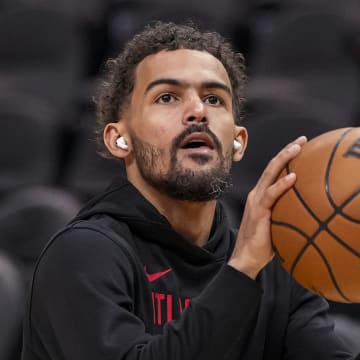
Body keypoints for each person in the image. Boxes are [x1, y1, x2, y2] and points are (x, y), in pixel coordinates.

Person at [21, 21, 354, 360]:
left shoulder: (274, 270)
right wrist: (241, 272)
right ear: (119, 139)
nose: (197, 112)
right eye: (167, 97)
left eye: (213, 99)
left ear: (237, 143)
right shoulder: (83, 254)